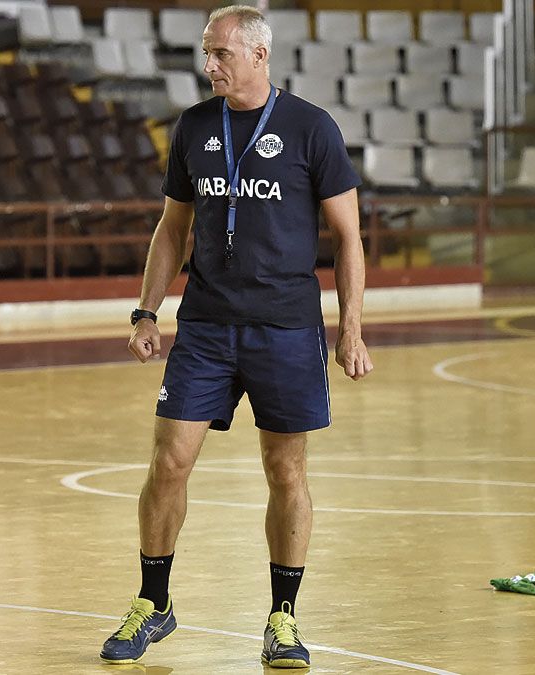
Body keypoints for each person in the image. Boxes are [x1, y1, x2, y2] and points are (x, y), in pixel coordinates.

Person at [99, 5, 373, 670]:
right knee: (168, 462)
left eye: (220, 52)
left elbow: (349, 236)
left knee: (285, 471)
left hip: (284, 327)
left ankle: (283, 618)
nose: (209, 64)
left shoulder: (311, 128)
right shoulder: (194, 127)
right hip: (206, 326)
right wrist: (146, 310)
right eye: (205, 51)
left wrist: (352, 329)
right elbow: (172, 229)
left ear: (259, 53)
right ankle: (153, 603)